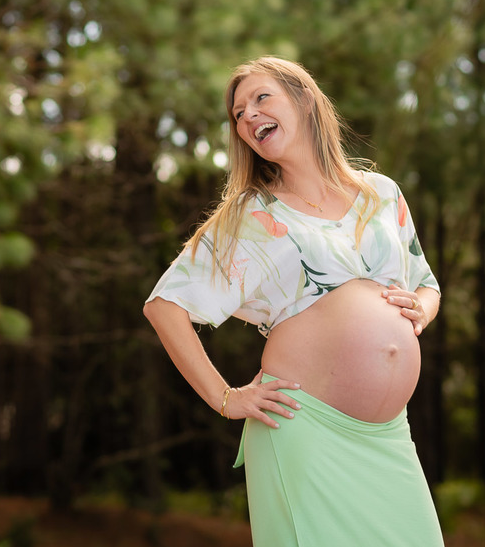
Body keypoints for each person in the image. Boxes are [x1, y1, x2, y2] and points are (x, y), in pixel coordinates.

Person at [143, 56, 445, 546]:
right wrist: (227, 399)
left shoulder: (382, 195)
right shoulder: (251, 214)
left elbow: (426, 282)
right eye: (238, 113)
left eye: (261, 98)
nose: (247, 116)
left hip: (388, 433)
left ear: (304, 100)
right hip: (304, 427)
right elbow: (164, 307)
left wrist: (421, 310)